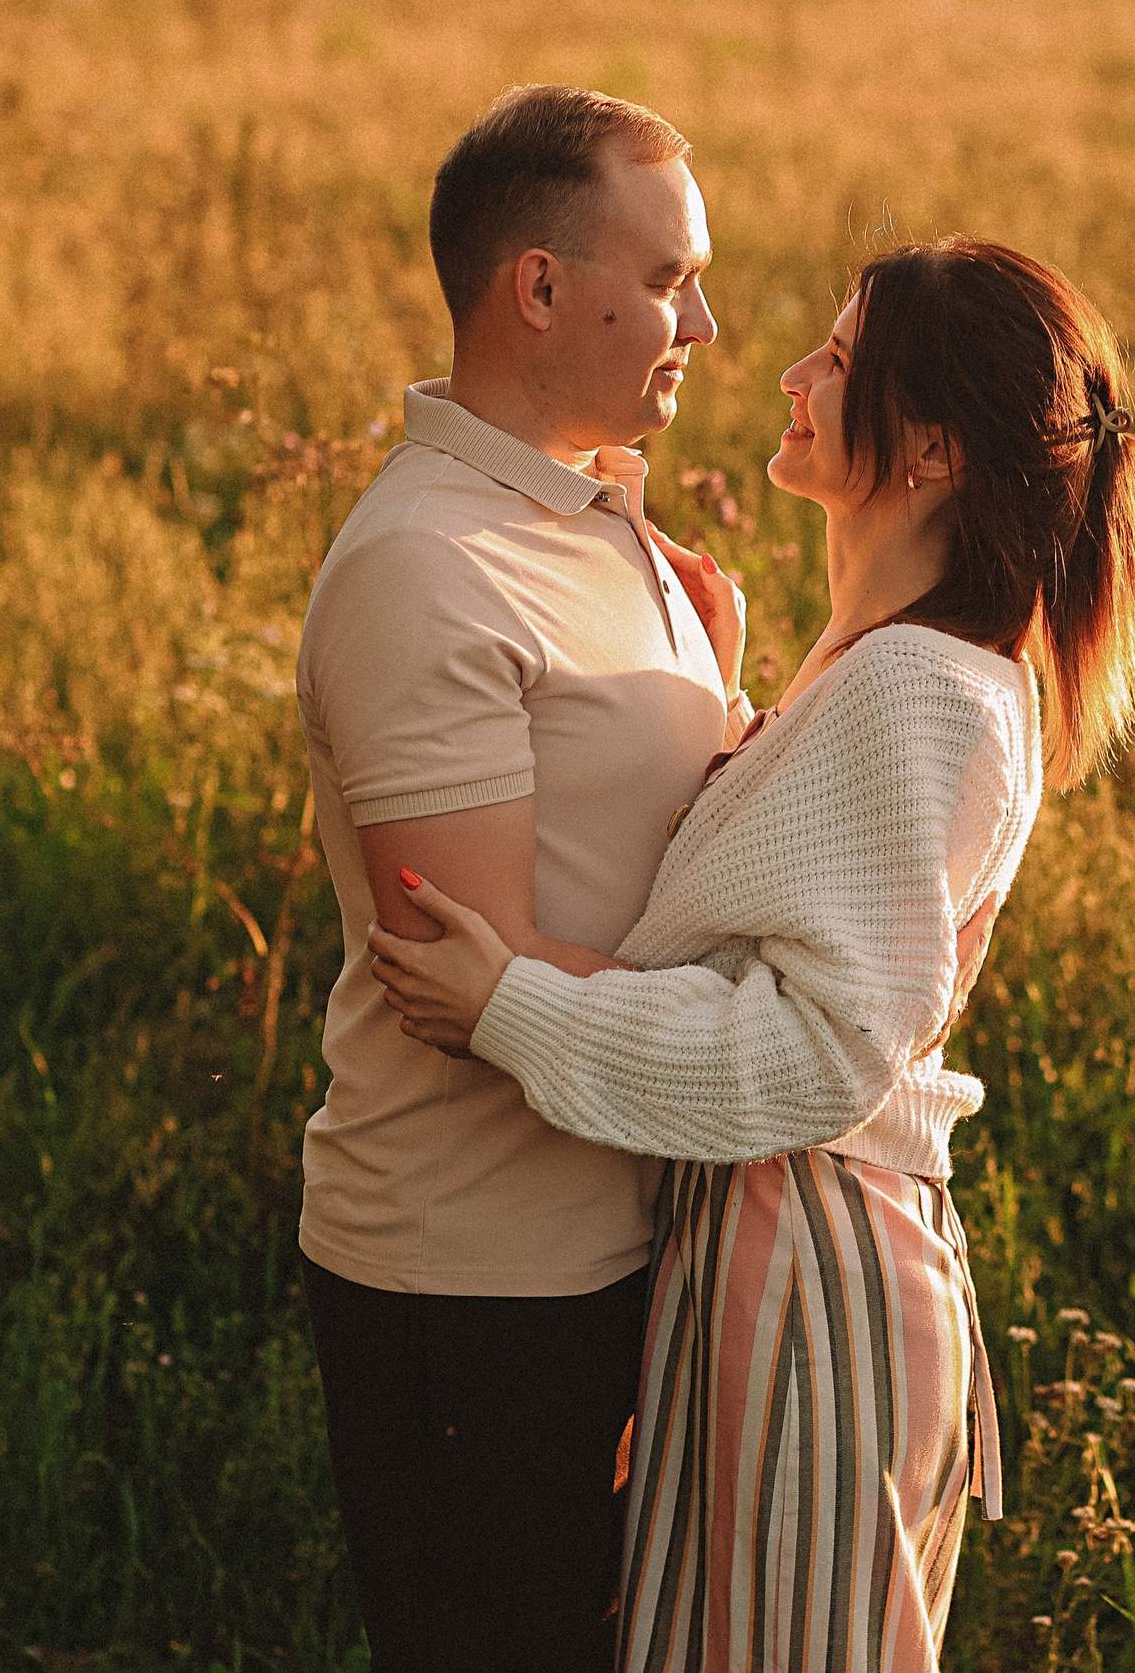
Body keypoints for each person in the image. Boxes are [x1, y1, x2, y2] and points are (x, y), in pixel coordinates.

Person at [368, 237, 1135, 1670]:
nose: (792, 374)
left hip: (810, 1265)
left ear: (927, 446)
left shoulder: (922, 690)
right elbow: (798, 904)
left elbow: (817, 1045)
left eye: (842, 361)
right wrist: (727, 704)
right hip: (782, 1251)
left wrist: (514, 1006)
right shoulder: (887, 666)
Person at [292, 84, 750, 1672]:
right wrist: (781, 1036)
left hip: (623, 1246)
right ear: (540, 287)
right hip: (474, 1281)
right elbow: (467, 985)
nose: (709, 317)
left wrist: (721, 685)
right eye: (673, 274)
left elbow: (632, 856)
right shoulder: (431, 564)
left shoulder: (602, 521)